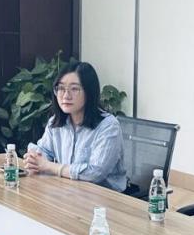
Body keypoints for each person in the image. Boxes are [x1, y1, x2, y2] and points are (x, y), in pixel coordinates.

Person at [24, 61, 127, 192]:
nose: (66, 96)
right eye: (61, 88)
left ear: (89, 92)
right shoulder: (56, 122)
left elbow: (95, 173)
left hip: (104, 197)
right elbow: (44, 151)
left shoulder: (108, 126)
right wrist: (35, 159)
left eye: (74, 89)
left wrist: (49, 166)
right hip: (68, 191)